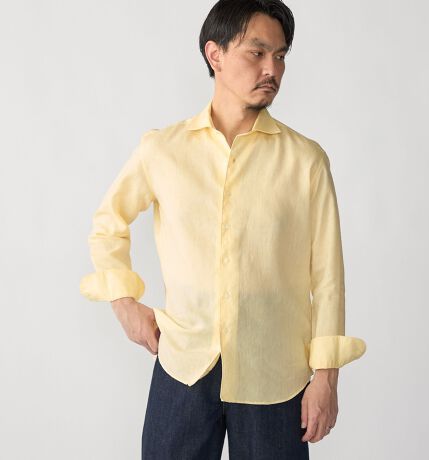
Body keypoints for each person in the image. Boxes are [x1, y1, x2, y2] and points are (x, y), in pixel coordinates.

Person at [79, 1, 367, 458]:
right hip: (183, 367)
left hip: (275, 376)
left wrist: (327, 377)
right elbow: (107, 224)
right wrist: (124, 304)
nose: (272, 69)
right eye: (257, 52)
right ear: (215, 54)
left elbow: (328, 276)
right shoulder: (163, 149)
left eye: (280, 55)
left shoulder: (305, 160)